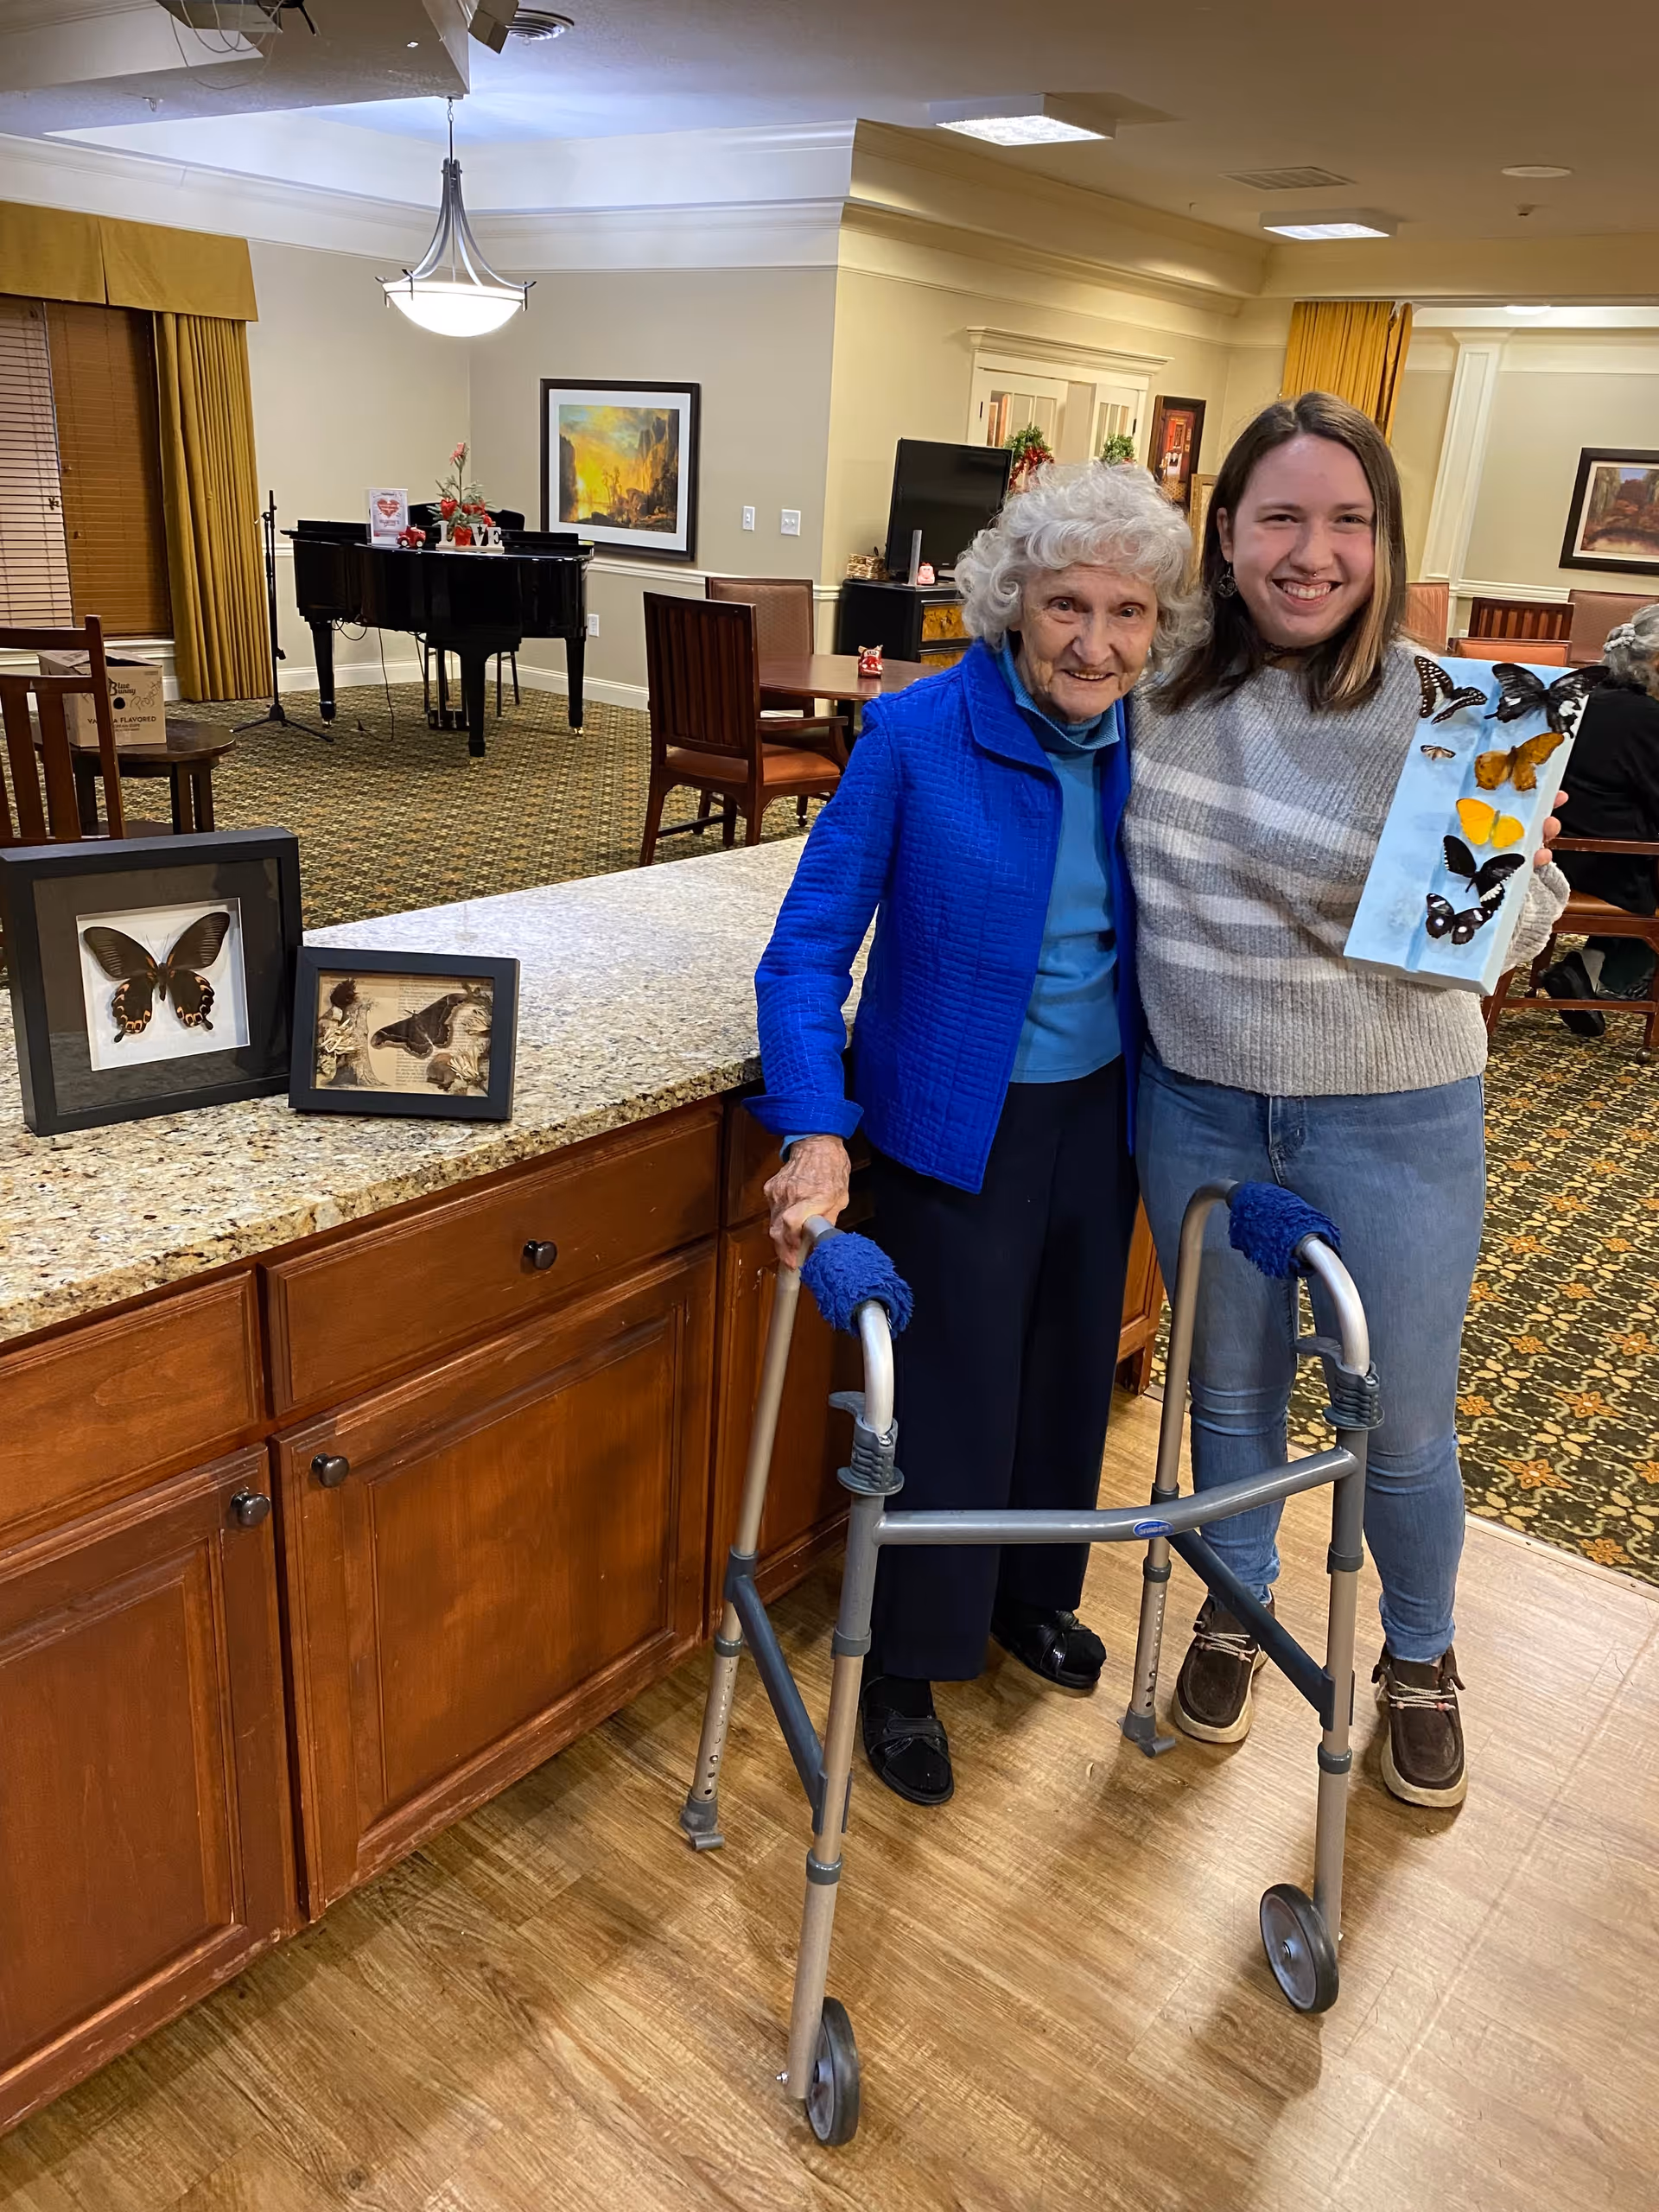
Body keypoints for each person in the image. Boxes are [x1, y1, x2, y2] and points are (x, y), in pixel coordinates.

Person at [1123, 391, 1569, 1810]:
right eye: (1281, 519)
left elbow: (1529, 931)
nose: (1313, 554)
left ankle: (1422, 1658)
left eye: (1347, 523)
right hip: (1198, 1102)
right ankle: (1238, 1604)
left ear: (1382, 542)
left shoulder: (1455, 710)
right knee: (1230, 1389)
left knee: (1401, 1420)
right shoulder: (1157, 672)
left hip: (1394, 1116)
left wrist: (1502, 870)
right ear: (1228, 531)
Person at [750, 461, 1195, 1806]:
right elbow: (804, 951)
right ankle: (902, 1661)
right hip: (955, 1123)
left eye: (1128, 612)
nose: (1097, 642)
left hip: (1105, 1115)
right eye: (1068, 605)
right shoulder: (915, 735)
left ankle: (1025, 1600)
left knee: (1064, 1376)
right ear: (1014, 602)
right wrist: (818, 1128)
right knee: (944, 1402)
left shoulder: (1156, 742)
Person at [1539, 603, 1659, 1035]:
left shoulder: (1583, 692)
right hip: (1603, 862)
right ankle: (1600, 973)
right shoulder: (1647, 718)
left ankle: (1586, 971)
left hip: (1548, 848)